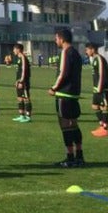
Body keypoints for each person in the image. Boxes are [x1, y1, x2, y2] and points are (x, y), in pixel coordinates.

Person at [47, 28, 84, 167]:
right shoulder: (76, 53)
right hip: (74, 94)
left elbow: (63, 73)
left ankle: (70, 158)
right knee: (74, 125)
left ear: (61, 39)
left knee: (65, 126)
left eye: (56, 38)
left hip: (64, 94)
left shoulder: (66, 52)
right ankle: (79, 156)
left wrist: (53, 88)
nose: (55, 41)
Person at [85, 43, 108, 137]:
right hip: (96, 88)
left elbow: (102, 74)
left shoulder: (99, 59)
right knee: (95, 106)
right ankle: (101, 126)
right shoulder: (94, 59)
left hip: (102, 88)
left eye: (87, 49)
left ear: (93, 49)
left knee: (104, 107)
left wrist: (100, 87)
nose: (86, 52)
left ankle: (105, 128)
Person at [11, 43, 32, 123]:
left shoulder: (23, 57)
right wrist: (17, 81)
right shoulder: (18, 58)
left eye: (14, 49)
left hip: (24, 82)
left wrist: (21, 81)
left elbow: (24, 70)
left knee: (26, 98)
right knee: (19, 98)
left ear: (18, 49)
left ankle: (28, 116)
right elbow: (19, 72)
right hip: (19, 81)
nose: (13, 51)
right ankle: (21, 116)